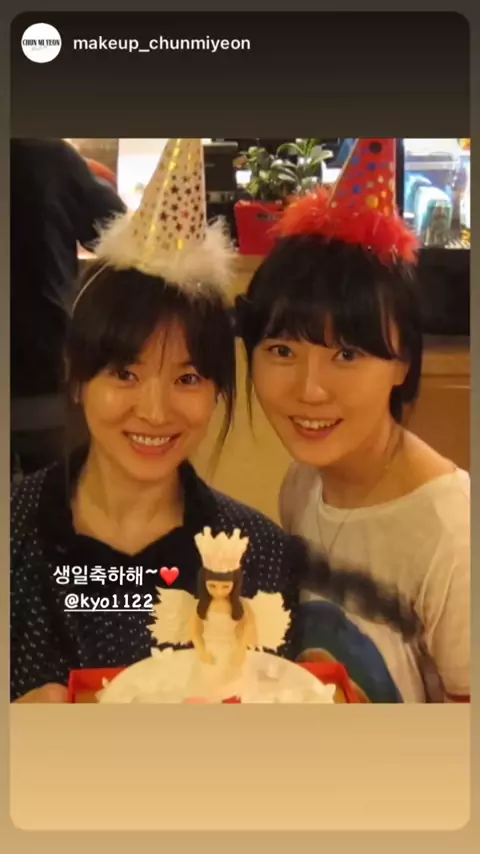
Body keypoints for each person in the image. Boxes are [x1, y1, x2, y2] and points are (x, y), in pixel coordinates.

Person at [11, 139, 416, 704]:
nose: (155, 411)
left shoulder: (259, 554)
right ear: (77, 377)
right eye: (125, 374)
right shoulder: (15, 531)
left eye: (187, 378)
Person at [237, 138, 470, 703]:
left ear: (403, 363)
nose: (310, 391)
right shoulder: (302, 485)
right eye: (282, 351)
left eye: (347, 354)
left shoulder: (453, 534)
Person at [10, 138, 126, 478]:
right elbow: (117, 232)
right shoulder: (49, 154)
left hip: (42, 371)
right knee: (57, 496)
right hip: (43, 365)